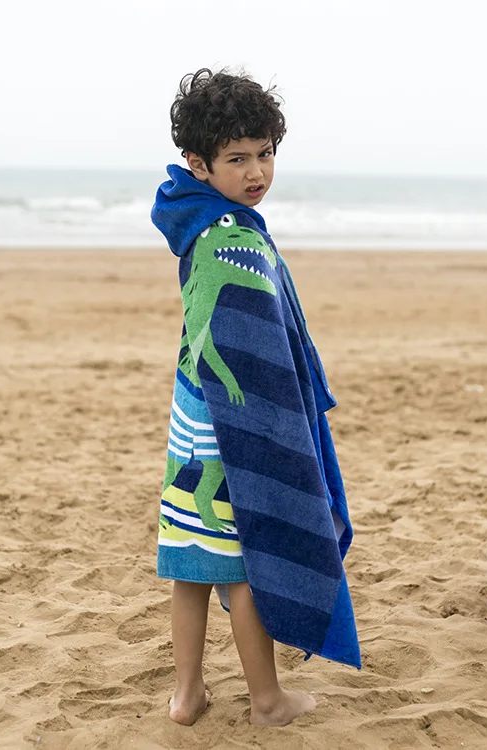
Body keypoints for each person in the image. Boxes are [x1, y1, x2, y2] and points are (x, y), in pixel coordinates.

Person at [150, 69, 360, 728]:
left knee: (191, 562)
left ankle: (188, 697)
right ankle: (267, 700)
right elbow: (250, 349)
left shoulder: (202, 219)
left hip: (192, 418)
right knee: (246, 564)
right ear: (198, 163)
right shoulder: (230, 237)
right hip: (230, 426)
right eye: (236, 158)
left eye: (265, 153)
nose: (255, 171)